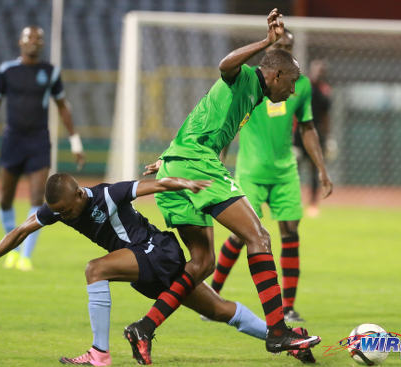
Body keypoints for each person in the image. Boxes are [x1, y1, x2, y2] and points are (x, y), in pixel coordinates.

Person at [0, 173, 315, 366]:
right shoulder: (58, 207)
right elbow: (21, 229)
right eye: (61, 213)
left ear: (80, 198)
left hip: (154, 251)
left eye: (69, 211)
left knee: (94, 269)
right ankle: (289, 340)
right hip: (145, 264)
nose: (66, 217)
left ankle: (99, 354)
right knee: (222, 310)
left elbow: (150, 186)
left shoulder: (105, 195)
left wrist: (183, 182)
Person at [133, 9, 321, 364]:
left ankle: (144, 327)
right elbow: (225, 65)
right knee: (260, 238)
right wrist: (266, 41)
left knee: (202, 263)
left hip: (179, 165)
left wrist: (169, 158)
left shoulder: (251, 99)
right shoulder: (246, 79)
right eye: (292, 82)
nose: (294, 89)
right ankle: (278, 330)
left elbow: (203, 118)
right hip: (197, 165)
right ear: (276, 74)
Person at [211, 30, 333, 323]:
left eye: (289, 46)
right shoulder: (250, 82)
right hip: (251, 170)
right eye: (281, 46)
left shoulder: (299, 86)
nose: (286, 49)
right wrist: (219, 158)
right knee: (242, 235)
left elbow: (307, 127)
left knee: (290, 233)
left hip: (285, 172)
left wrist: (321, 168)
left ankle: (288, 307)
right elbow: (231, 120)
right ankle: (212, 294)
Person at [0, 26, 85, 271]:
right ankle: (14, 248)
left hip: (39, 141)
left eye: (39, 38)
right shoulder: (7, 70)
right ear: (20, 41)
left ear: (42, 44)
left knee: (38, 197)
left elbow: (63, 106)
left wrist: (75, 141)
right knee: (5, 199)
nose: (35, 42)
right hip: (12, 141)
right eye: (30, 37)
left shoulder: (50, 72)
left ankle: (25, 256)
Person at [294, 59, 332, 218]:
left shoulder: (325, 92)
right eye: (316, 70)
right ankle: (294, 199)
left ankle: (313, 203)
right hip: (299, 134)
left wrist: (328, 138)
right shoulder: (302, 88)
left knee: (314, 168)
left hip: (316, 135)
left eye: (321, 71)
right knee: (293, 167)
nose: (318, 73)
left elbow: (326, 116)